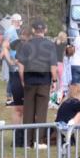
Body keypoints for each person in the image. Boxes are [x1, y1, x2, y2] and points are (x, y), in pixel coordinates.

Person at [16, 19, 59, 149]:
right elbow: (53, 66)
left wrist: (22, 79)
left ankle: (27, 142)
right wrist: (55, 81)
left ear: (33, 30)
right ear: (45, 30)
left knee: (28, 112)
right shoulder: (50, 45)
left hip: (29, 80)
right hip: (44, 81)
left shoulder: (26, 45)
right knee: (41, 112)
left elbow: (20, 65)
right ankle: (38, 141)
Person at [2, 14, 23, 112]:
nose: (21, 23)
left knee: (13, 77)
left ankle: (11, 98)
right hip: (12, 57)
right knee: (13, 78)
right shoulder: (10, 31)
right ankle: (9, 99)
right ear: (16, 21)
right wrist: (9, 59)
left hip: (14, 56)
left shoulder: (11, 30)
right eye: (20, 21)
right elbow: (5, 44)